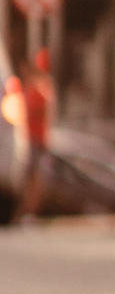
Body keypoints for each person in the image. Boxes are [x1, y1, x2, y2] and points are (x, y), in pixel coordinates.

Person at [16, 48, 55, 224]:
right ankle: (28, 209)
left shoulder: (39, 89)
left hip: (37, 138)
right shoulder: (34, 88)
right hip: (30, 138)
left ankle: (31, 209)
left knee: (34, 176)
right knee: (30, 175)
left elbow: (39, 113)